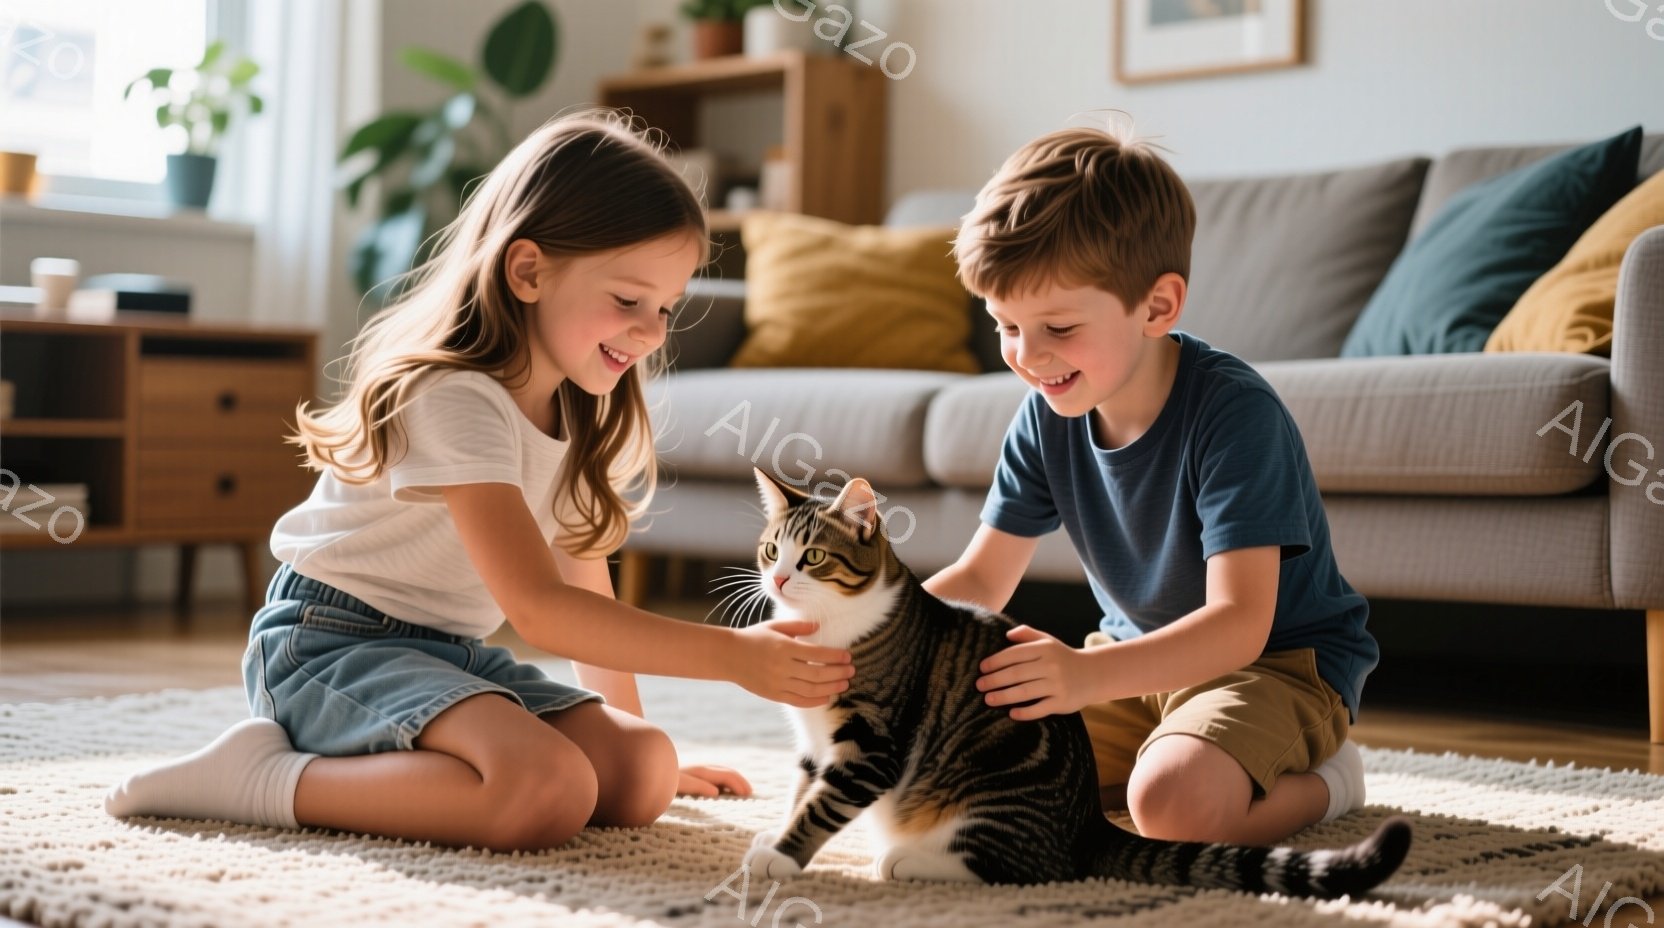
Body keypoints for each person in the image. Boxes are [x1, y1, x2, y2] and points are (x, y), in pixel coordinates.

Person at [105, 110, 854, 852]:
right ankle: (264, 779)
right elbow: (540, 609)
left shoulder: (575, 409)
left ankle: (444, 761)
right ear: (527, 271)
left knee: (641, 772)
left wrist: (630, 731)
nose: (654, 331)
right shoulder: (454, 396)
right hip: (327, 647)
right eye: (629, 301)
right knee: (544, 790)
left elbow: (585, 590)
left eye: (665, 307)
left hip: (447, 655)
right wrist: (733, 657)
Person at [923, 123, 1379, 845]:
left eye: (1058, 327)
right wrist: (879, 637)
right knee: (951, 773)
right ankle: (1178, 750)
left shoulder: (1233, 414)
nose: (1027, 356)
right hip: (1130, 663)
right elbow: (982, 576)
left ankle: (1329, 782)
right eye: (1005, 325)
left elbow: (1239, 623)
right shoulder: (1047, 416)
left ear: (1158, 308)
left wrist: (1077, 678)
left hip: (1274, 670)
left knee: (1168, 805)